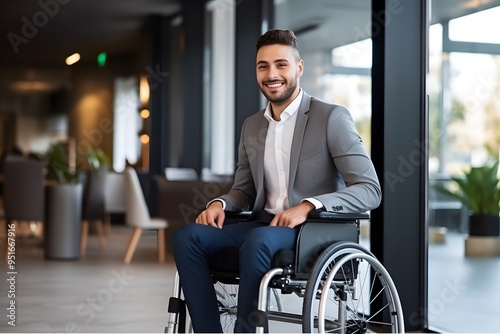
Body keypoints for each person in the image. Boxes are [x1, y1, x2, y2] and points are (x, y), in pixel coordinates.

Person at [172, 29, 381, 333]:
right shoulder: (252, 126)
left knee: (258, 240)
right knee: (188, 236)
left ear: (299, 68)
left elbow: (369, 189)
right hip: (262, 223)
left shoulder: (331, 118)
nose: (272, 74)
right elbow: (244, 190)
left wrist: (309, 206)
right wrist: (220, 203)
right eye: (263, 66)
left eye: (281, 65)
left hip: (311, 230)